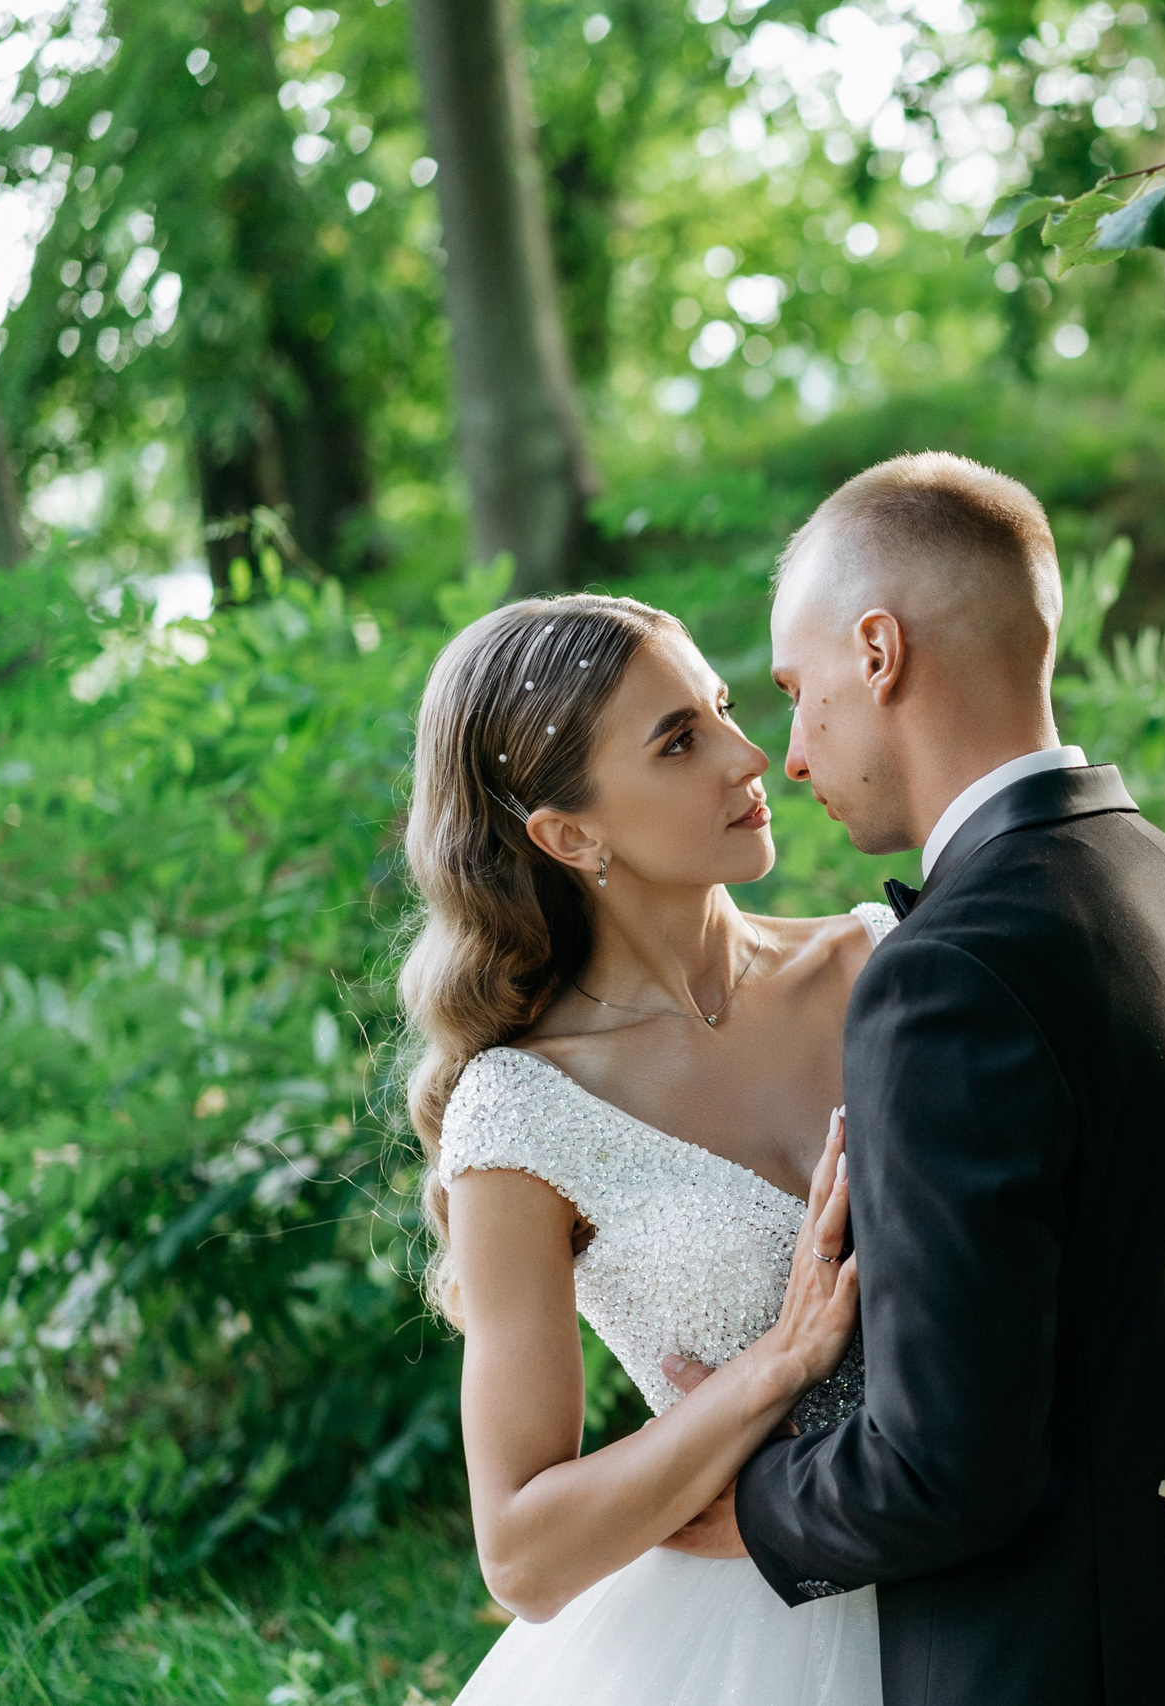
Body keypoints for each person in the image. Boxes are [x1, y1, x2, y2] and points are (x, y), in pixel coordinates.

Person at [715, 452, 1165, 1705]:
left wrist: (735, 1494)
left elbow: (946, 1468)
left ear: (877, 651)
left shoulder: (947, 975)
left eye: (795, 690)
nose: (791, 754)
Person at [398, 593, 884, 1706]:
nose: (750, 754)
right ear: (570, 835)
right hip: (752, 1636)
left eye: (722, 708)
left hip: (1008, 1560)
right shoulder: (523, 1111)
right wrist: (775, 1367)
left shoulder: (889, 961)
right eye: (679, 741)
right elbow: (522, 1552)